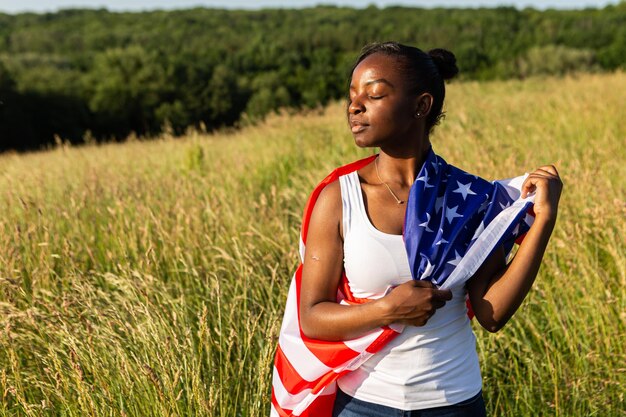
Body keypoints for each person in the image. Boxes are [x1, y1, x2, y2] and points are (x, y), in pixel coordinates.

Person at [271, 42, 562, 417]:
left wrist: (544, 221)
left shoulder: (471, 199)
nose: (354, 106)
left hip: (454, 401)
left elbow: (492, 315)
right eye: (352, 95)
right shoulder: (340, 198)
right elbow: (312, 318)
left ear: (421, 106)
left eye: (373, 94)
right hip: (363, 404)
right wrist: (387, 308)